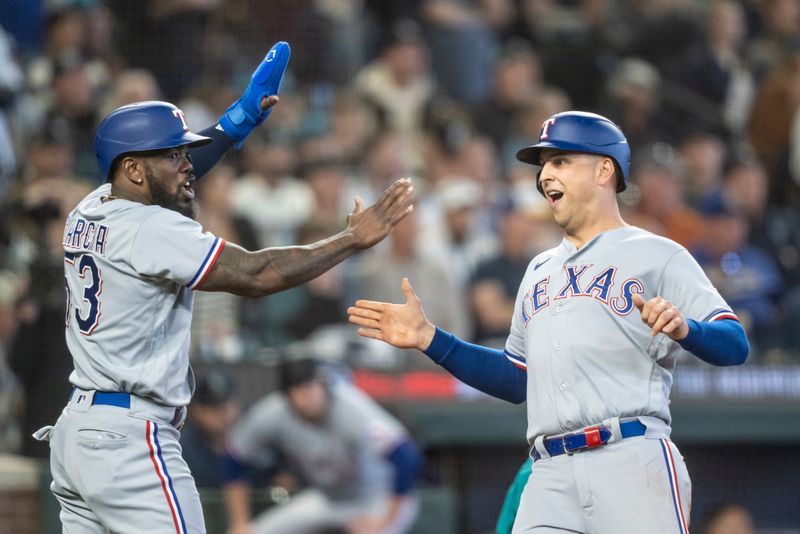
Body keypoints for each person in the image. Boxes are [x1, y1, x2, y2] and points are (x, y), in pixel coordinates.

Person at [34, 41, 415, 534]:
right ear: (133, 168)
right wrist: (349, 239)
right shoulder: (151, 229)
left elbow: (163, 183)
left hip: (80, 432)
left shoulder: (90, 207)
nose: (188, 164)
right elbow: (257, 274)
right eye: (175, 154)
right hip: (131, 439)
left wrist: (237, 122)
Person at [348, 111, 749, 533]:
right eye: (543, 167)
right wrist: (431, 339)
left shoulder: (657, 253)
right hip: (550, 473)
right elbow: (516, 378)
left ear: (603, 169)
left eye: (559, 161)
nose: (544, 177)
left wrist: (687, 329)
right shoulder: (539, 269)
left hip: (629, 458)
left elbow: (734, 343)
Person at [224, 357, 423, 534]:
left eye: (314, 386)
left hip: (377, 499)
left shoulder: (350, 407)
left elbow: (406, 457)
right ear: (287, 395)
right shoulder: (274, 413)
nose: (311, 395)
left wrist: (383, 521)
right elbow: (235, 458)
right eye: (301, 389)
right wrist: (240, 523)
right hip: (328, 498)